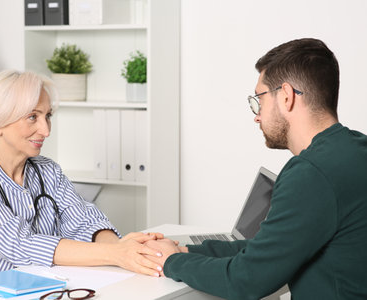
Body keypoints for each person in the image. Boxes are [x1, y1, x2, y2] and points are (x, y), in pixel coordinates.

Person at [144, 38, 367, 299]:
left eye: (259, 99)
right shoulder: (354, 150)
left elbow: (244, 280)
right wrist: (187, 251)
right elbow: (272, 250)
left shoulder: (311, 173)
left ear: (286, 97)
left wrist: (171, 261)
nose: (257, 115)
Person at [0, 70, 164, 288]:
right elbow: (19, 244)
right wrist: (116, 254)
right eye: (32, 117)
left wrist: (124, 248)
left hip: (37, 286)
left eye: (47, 116)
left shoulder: (47, 171)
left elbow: (85, 220)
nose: (45, 130)